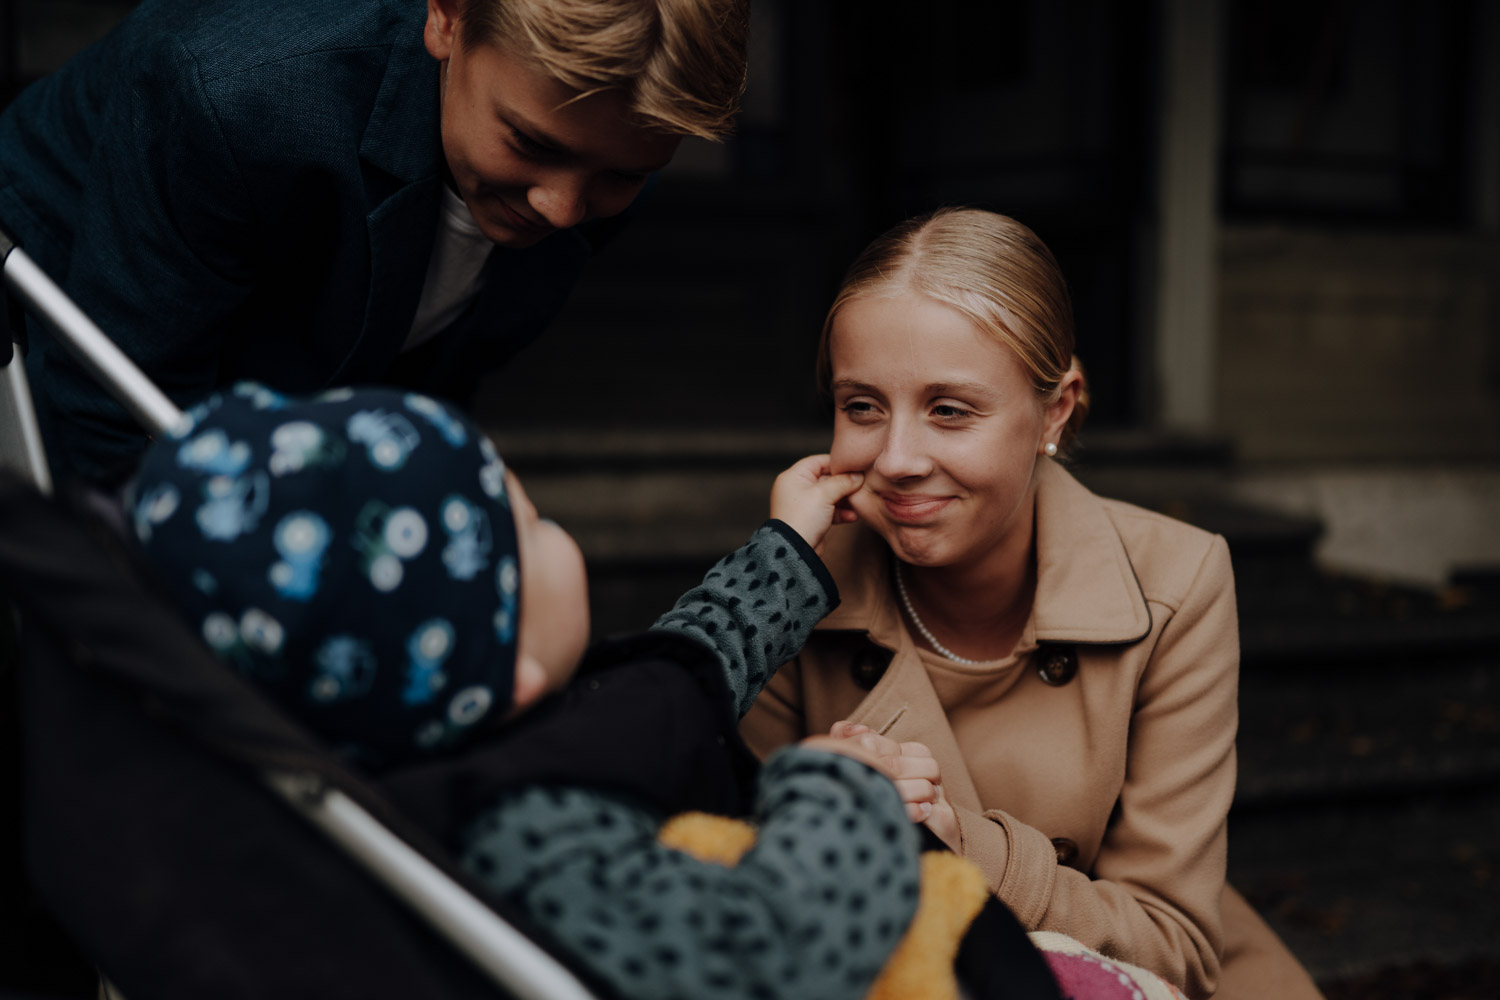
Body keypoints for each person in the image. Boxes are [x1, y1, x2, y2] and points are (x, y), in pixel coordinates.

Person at [124, 382, 943, 1000]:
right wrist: (833, 789)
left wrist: (788, 547)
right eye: (531, 523)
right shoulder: (525, 840)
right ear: (509, 667)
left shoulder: (441, 729)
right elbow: (768, 954)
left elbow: (678, 679)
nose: (558, 532)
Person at [740, 207, 1326, 1000]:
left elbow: (1173, 941)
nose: (898, 459)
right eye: (862, 407)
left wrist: (957, 850)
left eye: (950, 409)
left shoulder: (1177, 586)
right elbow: (733, 883)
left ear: (1056, 409)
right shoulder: (797, 583)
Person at [0, 0, 747, 483]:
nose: (562, 208)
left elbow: (428, 378)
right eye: (527, 141)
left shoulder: (598, 169)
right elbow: (113, 429)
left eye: (621, 174)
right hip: (50, 324)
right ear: (448, 19)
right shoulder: (233, 97)